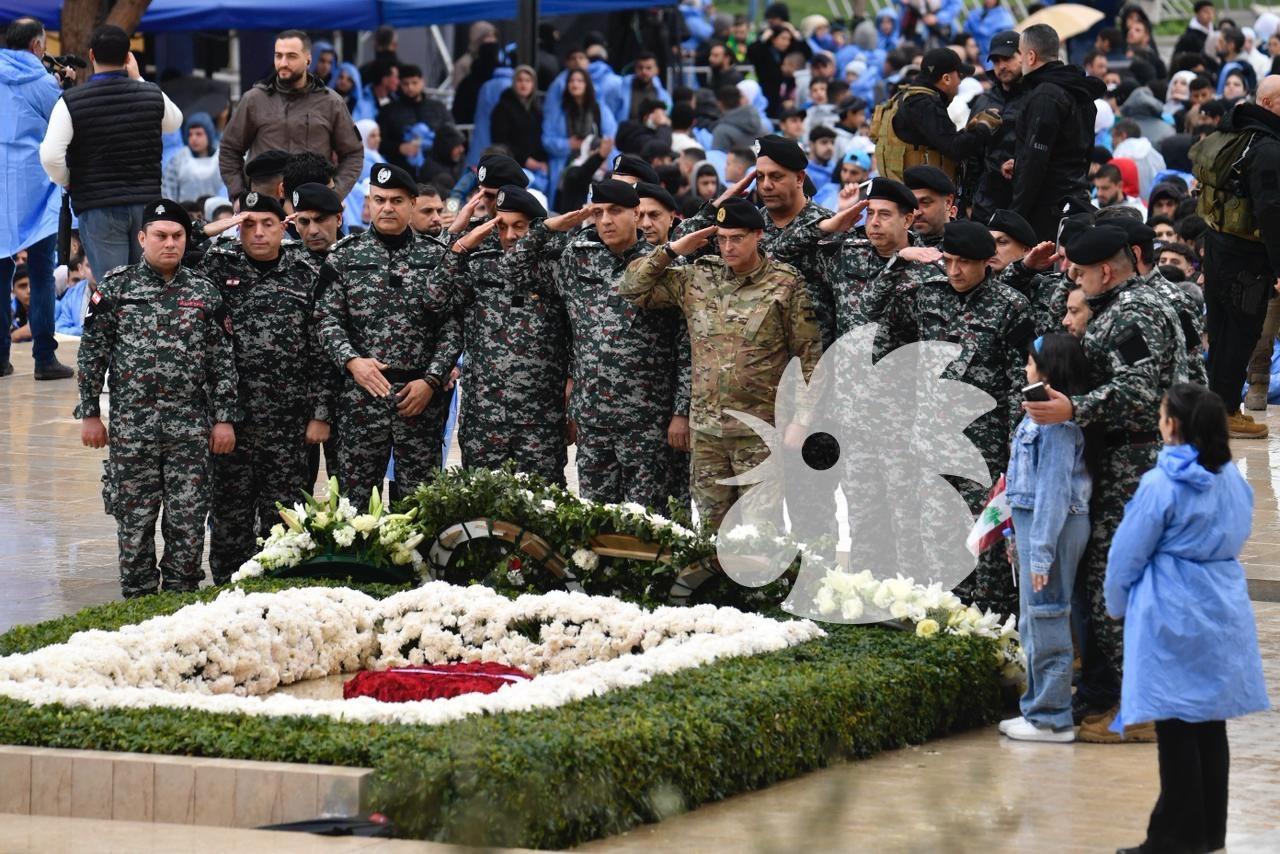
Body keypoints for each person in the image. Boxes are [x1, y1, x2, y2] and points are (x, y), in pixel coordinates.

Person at [1023, 225, 1183, 743]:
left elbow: (1137, 392)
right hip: (1121, 456)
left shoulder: (1134, 312)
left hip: (1134, 460)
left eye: (1081, 272)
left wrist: (1075, 407)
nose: (1076, 279)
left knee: (1116, 584)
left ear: (1106, 271)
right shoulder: (1122, 304)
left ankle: (1141, 709)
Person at [1106, 383, 1268, 854]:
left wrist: (1116, 604)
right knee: (1210, 725)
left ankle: (1172, 837)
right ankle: (1208, 832)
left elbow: (1126, 554)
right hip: (1222, 603)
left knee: (1175, 725)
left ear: (1173, 424)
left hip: (1171, 607)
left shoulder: (1161, 483)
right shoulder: (1232, 478)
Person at [861, 220, 1033, 618]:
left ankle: (991, 625)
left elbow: (1018, 383)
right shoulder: (927, 295)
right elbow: (878, 325)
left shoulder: (1011, 306)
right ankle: (944, 620)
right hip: (932, 441)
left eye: (964, 263)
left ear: (987, 262)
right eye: (949, 261)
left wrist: (1014, 449)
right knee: (937, 537)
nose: (954, 271)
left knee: (987, 543)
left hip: (984, 446)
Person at [619, 197, 822, 528]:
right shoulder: (698, 277)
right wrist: (672, 250)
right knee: (712, 532)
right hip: (707, 432)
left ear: (758, 235)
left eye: (737, 238)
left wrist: (802, 419)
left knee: (760, 533)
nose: (728, 247)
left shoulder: (785, 283)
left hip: (759, 432)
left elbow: (809, 356)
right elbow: (630, 288)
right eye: (722, 239)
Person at [75, 199, 240, 597]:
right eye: (161, 236)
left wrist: (224, 419)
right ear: (142, 238)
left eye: (177, 236)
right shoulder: (116, 287)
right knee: (134, 521)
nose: (170, 243)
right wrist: (90, 413)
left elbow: (222, 362)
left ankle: (181, 598)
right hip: (133, 431)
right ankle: (138, 598)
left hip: (190, 431)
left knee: (188, 521)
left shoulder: (203, 292)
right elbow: (92, 354)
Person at [500, 180, 688, 507]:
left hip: (646, 422)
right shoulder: (577, 259)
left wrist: (681, 411)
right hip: (593, 421)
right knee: (595, 518)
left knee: (646, 522)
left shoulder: (665, 265)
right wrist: (549, 227)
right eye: (598, 213)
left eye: (615, 211)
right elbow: (512, 268)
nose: (606, 221)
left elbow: (686, 346)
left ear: (636, 214)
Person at [200, 192, 331, 583]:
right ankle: (228, 591)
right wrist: (220, 226)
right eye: (249, 224)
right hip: (232, 421)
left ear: (283, 227)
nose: (258, 233)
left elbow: (321, 349)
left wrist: (320, 413)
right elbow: (168, 244)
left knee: (284, 517)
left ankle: (280, 590)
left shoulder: (306, 273)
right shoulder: (216, 267)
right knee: (229, 517)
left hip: (287, 423)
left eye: (267, 224)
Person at [314, 164, 460, 501]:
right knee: (355, 505)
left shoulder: (436, 257)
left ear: (412, 203)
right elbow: (326, 319)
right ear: (369, 203)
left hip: (419, 399)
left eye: (396, 200)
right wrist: (352, 362)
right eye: (379, 200)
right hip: (361, 398)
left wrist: (431, 380)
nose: (387, 208)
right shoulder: (345, 256)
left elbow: (453, 326)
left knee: (418, 505)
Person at [425, 180, 570, 484]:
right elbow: (434, 300)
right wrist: (460, 247)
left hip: (540, 419)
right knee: (482, 503)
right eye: (502, 227)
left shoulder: (557, 267)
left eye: (520, 226)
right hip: (484, 417)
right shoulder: (479, 264)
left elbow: (577, 333)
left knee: (542, 505)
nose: (510, 235)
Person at [999, 333, 1093, 742]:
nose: (1025, 368)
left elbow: (1053, 494)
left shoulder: (1057, 427)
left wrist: (1040, 554)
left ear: (1048, 371)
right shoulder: (1038, 415)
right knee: (1035, 618)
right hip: (1036, 527)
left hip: (1052, 527)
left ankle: (1051, 717)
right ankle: (1037, 708)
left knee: (1048, 615)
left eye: (1030, 361)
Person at [39, 25, 184, 288]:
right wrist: (139, 79)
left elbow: (50, 156)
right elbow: (175, 121)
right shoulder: (150, 94)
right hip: (146, 204)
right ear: (128, 56)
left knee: (114, 288)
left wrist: (68, 179)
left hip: (98, 206)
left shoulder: (71, 101)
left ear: (91, 55)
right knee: (148, 288)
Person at [673, 135, 835, 348]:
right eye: (760, 177)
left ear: (799, 178)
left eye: (776, 176)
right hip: (752, 358)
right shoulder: (746, 225)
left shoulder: (830, 227)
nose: (766, 185)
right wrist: (718, 204)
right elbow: (682, 244)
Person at [1195, 76, 1280, 438]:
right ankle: (1225, 412)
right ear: (1269, 102)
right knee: (1241, 330)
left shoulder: (1237, 130)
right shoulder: (1268, 147)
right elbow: (1271, 210)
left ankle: (1219, 407)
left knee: (1222, 328)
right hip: (1247, 255)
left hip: (1218, 244)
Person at [1, 17, 69, 379]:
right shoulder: (44, 83)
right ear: (37, 46)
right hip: (37, 188)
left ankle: (0, 358)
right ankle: (44, 358)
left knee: (0, 274)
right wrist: (63, 86)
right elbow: (62, 124)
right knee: (42, 273)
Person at [218, 30, 364, 199]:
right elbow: (229, 149)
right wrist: (239, 195)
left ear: (308, 59)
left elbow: (353, 153)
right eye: (278, 56)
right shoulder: (254, 100)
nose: (283, 63)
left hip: (311, 204)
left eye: (291, 56)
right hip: (264, 204)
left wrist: (334, 195)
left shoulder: (331, 102)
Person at [1010, 25, 1105, 241]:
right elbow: (1085, 151)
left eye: (1020, 54)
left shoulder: (1046, 95)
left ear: (1031, 56)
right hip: (1074, 198)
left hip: (1047, 208)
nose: (1019, 60)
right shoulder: (1078, 91)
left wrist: (1016, 215)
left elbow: (1036, 160)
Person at [291, 182, 345, 492]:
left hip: (349, 402)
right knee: (295, 500)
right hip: (295, 404)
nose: (312, 230)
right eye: (303, 221)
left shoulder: (358, 260)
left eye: (320, 219)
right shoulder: (284, 263)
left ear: (338, 218)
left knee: (350, 499)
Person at [874, 48, 994, 185]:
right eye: (959, 76)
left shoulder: (906, 95)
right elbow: (955, 149)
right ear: (946, 79)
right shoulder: (924, 104)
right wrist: (984, 126)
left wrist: (967, 132)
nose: (960, 82)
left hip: (901, 185)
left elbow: (939, 139)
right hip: (916, 191)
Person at [969, 30, 1025, 223]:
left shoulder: (1037, 97)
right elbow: (972, 154)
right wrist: (969, 200)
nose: (1002, 66)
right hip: (986, 200)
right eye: (996, 61)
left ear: (1023, 56)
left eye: (1007, 58)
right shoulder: (984, 101)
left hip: (1025, 198)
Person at [489, 66, 547, 174]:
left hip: (536, 166)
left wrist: (542, 160)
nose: (523, 84)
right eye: (519, 80)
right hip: (511, 166)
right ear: (514, 83)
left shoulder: (536, 109)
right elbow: (500, 141)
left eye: (528, 81)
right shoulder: (502, 108)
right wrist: (524, 160)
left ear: (533, 84)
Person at [162, 112, 226, 203]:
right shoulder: (178, 160)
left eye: (199, 134)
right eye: (190, 134)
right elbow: (168, 191)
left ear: (209, 135)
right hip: (185, 210)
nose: (194, 138)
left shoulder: (221, 158)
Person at [605, 51, 671, 123]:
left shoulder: (663, 95)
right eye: (640, 68)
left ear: (656, 70)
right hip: (626, 129)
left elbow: (667, 114)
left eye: (648, 68)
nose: (644, 71)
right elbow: (609, 115)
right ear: (635, 69)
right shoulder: (619, 90)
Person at [903, 165, 955, 248]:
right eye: (912, 203)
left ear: (948, 202)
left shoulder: (969, 244)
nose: (916, 213)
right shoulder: (899, 243)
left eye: (925, 202)